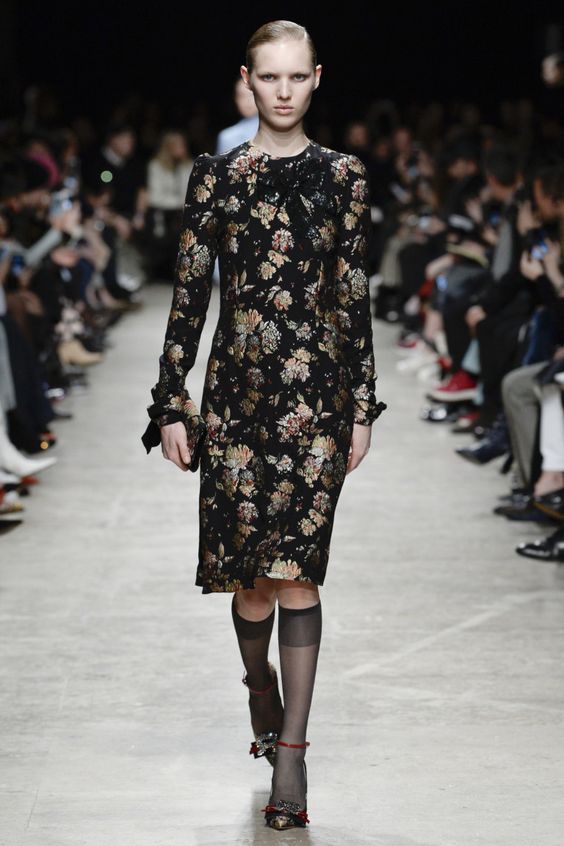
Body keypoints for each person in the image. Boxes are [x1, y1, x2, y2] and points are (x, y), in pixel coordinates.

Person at [142, 19, 386, 830]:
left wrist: (361, 406)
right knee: (251, 583)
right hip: (238, 401)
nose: (283, 91)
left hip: (316, 400)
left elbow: (354, 294)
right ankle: (259, 688)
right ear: (248, 81)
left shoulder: (345, 175)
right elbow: (189, 294)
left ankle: (292, 758)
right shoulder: (217, 177)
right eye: (269, 77)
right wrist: (171, 400)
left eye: (296, 76)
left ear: (317, 79)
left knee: (299, 575)